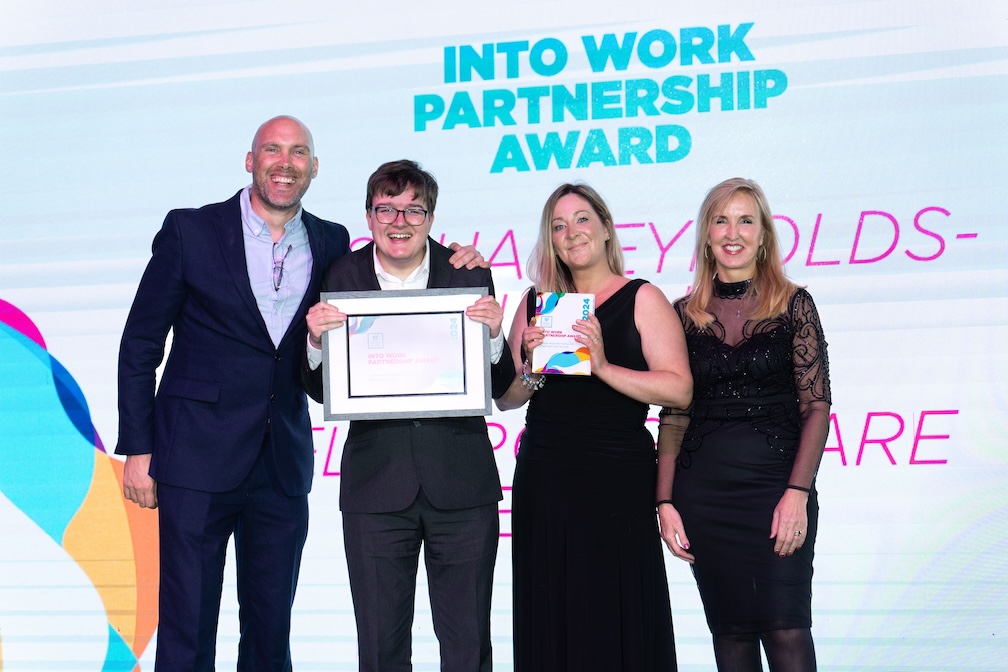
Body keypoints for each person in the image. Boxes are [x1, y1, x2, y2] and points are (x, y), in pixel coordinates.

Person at [116, 118, 482, 670]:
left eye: (298, 152)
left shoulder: (332, 240)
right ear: (250, 160)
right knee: (187, 624)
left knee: (271, 627)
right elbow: (142, 340)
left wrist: (459, 258)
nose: (284, 163)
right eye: (272, 150)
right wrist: (138, 448)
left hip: (281, 463)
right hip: (193, 456)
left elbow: (395, 259)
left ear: (314, 167)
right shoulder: (190, 231)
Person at [301, 159, 515, 672]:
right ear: (369, 217)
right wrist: (314, 342)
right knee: (379, 646)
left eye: (413, 209)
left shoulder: (467, 271)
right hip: (376, 488)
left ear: (431, 216)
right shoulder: (341, 275)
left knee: (467, 645)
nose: (400, 221)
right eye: (387, 209)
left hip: (462, 485)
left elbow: (504, 383)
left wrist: (493, 337)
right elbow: (314, 388)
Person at [497, 183, 692, 671]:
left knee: (612, 610)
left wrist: (603, 366)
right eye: (559, 226)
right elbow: (507, 400)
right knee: (553, 611)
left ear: (605, 229)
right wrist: (530, 370)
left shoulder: (642, 298)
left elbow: (679, 390)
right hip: (547, 476)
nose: (571, 233)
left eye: (582, 219)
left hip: (616, 477)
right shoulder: (535, 302)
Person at [656, 178, 832, 672]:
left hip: (778, 491)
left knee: (787, 633)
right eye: (721, 220)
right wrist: (665, 501)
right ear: (707, 235)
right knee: (731, 641)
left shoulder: (795, 304)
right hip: (703, 496)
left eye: (745, 220)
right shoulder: (681, 316)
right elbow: (673, 415)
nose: (733, 232)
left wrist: (798, 492)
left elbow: (816, 407)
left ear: (763, 234)